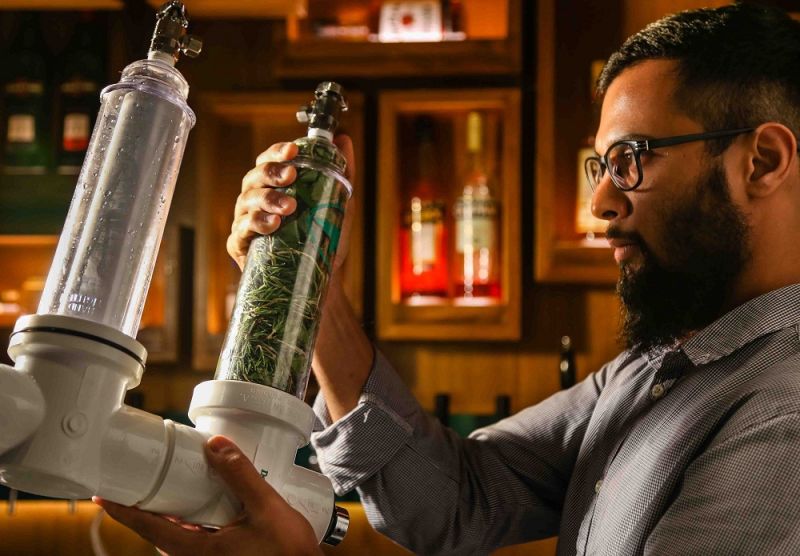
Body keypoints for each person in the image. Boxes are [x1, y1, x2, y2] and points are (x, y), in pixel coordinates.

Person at [97, 3, 800, 555]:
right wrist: (314, 289)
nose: (600, 204)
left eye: (632, 160)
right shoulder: (651, 371)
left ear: (762, 162)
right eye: (601, 166)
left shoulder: (783, 416)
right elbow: (456, 502)